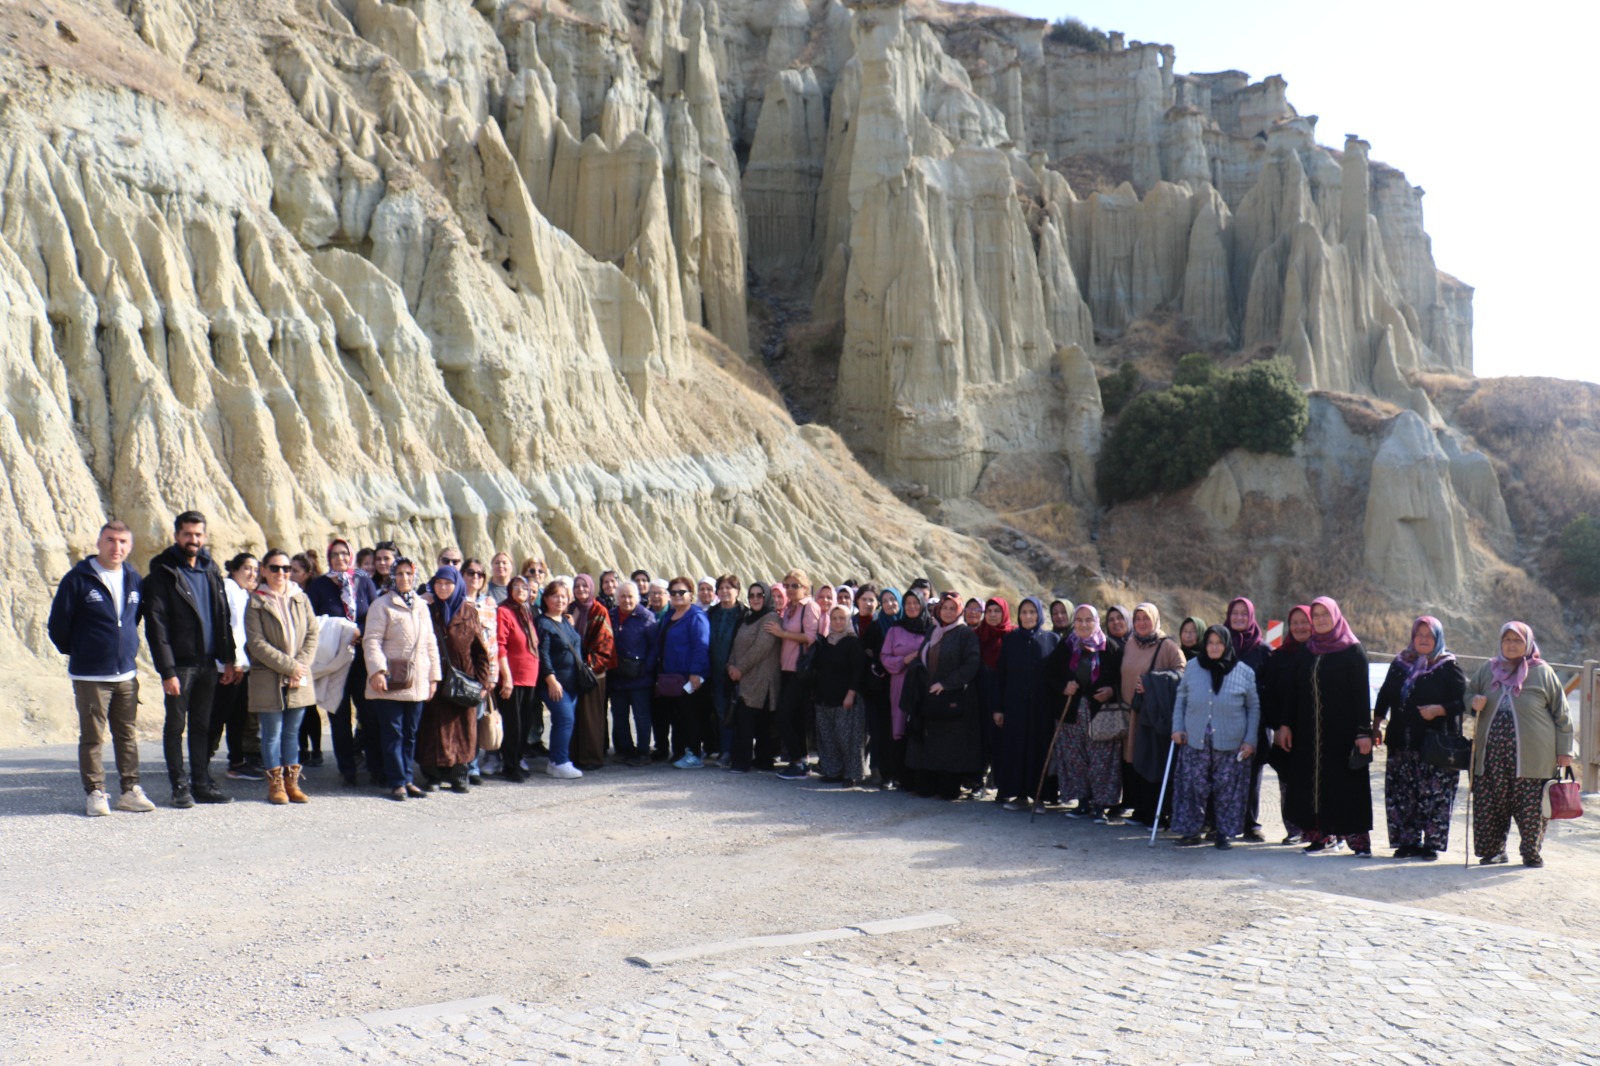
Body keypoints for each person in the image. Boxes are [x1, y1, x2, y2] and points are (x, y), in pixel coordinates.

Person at [48, 520, 157, 816]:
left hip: (125, 674)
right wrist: (83, 650)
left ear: (130, 546)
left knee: (127, 735)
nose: (116, 547)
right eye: (110, 540)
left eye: (122, 541)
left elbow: (131, 621)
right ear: (98, 543)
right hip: (90, 675)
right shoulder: (78, 579)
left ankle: (130, 790)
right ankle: (96, 792)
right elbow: (58, 626)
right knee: (93, 737)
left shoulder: (134, 578)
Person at [144, 510, 238, 807]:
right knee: (175, 727)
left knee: (202, 726)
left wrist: (229, 659)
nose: (193, 540)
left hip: (209, 663)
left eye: (198, 535)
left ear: (205, 537)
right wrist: (167, 670)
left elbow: (222, 616)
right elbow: (156, 627)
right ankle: (179, 786)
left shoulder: (211, 570)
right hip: (181, 666)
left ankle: (201, 782)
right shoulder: (163, 573)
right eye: (187, 534)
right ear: (176, 536)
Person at [1468, 622, 1575, 867]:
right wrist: (1473, 701)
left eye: (1517, 640)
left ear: (1527, 643)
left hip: (1533, 757)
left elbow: (1562, 713)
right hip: (1492, 755)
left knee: (1531, 806)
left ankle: (1530, 852)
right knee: (1490, 804)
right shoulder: (1488, 669)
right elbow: (1468, 693)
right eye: (1507, 640)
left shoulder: (1542, 672)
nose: (1511, 645)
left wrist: (1565, 750)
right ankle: (1493, 851)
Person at [1278, 596, 1373, 856]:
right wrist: (1285, 725)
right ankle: (1320, 837)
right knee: (1311, 783)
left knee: (1347, 785)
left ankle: (1358, 842)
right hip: (1308, 733)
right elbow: (1293, 691)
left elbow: (1361, 695)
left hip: (1342, 734)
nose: (1320, 620)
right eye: (1316, 615)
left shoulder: (1352, 650)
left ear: (1335, 616)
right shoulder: (1307, 651)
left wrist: (1364, 732)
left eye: (1325, 615)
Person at [1374, 616, 1467, 860]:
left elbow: (1462, 702)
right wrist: (1376, 724)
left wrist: (1439, 709)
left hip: (1434, 746)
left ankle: (1431, 845)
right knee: (1402, 794)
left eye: (1429, 636)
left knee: (1433, 796)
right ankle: (1407, 842)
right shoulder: (1401, 662)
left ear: (1438, 639)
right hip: (1401, 743)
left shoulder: (1448, 666)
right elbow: (1385, 695)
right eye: (1419, 635)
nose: (1423, 640)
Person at [1170, 625, 1260, 848]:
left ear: (1227, 645)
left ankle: (1223, 833)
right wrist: (1177, 727)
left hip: (1230, 742)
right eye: (1210, 642)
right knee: (1192, 787)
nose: (1214, 647)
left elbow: (1253, 707)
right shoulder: (1192, 667)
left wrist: (1250, 740)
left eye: (1219, 643)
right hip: (1194, 739)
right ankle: (1190, 831)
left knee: (1227, 790)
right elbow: (1180, 699)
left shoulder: (1244, 672)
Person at [245, 549, 320, 805]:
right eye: (275, 568)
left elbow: (312, 633)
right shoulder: (256, 600)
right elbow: (256, 643)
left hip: (298, 676)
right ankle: (275, 785)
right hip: (270, 677)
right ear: (264, 570)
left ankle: (292, 783)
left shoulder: (301, 597)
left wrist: (301, 665)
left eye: (286, 568)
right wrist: (290, 666)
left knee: (292, 733)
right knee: (272, 733)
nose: (281, 573)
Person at [305, 539, 382, 787]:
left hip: (361, 660)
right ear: (329, 557)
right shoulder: (319, 585)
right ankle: (347, 769)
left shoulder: (363, 582)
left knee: (369, 714)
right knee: (339, 716)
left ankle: (375, 766)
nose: (340, 558)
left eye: (344, 553)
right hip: (334, 660)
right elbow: (311, 621)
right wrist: (343, 630)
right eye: (335, 554)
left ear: (351, 556)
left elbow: (374, 615)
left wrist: (359, 631)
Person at [363, 558, 441, 801]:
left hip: (417, 681)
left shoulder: (420, 606)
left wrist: (433, 677)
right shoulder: (382, 604)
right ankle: (396, 781)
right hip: (391, 680)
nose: (404, 578)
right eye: (400, 573)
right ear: (393, 576)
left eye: (409, 573)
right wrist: (377, 671)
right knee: (393, 733)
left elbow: (431, 643)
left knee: (410, 733)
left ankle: (408, 778)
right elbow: (372, 640)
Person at [417, 565, 492, 792]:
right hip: (435, 680)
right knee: (433, 728)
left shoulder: (469, 612)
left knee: (463, 729)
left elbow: (481, 652)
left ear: (456, 585)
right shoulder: (427, 610)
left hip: (463, 679)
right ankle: (433, 776)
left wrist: (482, 683)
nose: (443, 587)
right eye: (439, 583)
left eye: (448, 583)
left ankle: (460, 776)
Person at [904, 593, 984, 800]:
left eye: (952, 608)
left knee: (950, 747)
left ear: (959, 611)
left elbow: (971, 664)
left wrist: (946, 684)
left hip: (952, 699)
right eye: (944, 608)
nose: (947, 612)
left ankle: (948, 787)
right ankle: (927, 785)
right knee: (929, 743)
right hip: (930, 696)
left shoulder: (965, 634)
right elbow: (922, 656)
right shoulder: (933, 630)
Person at [1052, 604, 1124, 823]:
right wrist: (1064, 687)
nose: (1083, 624)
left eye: (1088, 620)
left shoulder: (1110, 647)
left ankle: (1101, 805)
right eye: (1079, 620)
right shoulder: (1066, 646)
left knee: (1102, 759)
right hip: (1072, 712)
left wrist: (1112, 690)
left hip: (1101, 713)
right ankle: (1083, 802)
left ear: (1096, 622)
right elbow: (1049, 674)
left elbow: (1122, 678)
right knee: (1076, 759)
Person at [1118, 603, 1187, 826]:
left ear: (1155, 619)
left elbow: (1183, 673)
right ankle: (1139, 809)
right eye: (1137, 618)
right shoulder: (1130, 643)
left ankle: (1155, 814)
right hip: (1131, 712)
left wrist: (1153, 682)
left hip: (1152, 716)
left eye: (1146, 618)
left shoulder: (1167, 645)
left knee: (1151, 761)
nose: (1141, 623)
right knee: (1134, 761)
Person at [992, 597, 1062, 811]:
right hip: (1015, 707)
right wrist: (998, 708)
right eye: (1024, 612)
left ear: (1039, 615)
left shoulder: (1052, 640)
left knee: (1039, 750)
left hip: (1043, 708)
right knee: (1017, 748)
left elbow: (1057, 676)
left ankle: (1040, 796)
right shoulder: (1011, 640)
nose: (1028, 616)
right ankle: (1019, 795)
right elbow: (1000, 676)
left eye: (1032, 612)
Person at [1261, 605, 1311, 844]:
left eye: (1305, 621)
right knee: (1288, 782)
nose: (1300, 626)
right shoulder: (1279, 656)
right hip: (1286, 731)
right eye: (1295, 622)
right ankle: (1293, 829)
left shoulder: (1323, 653)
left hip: (1314, 731)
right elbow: (1269, 695)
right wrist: (1279, 726)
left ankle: (1317, 830)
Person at [210, 553, 262, 782]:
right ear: (235, 569)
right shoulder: (229, 588)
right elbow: (229, 628)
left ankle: (237, 762)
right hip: (230, 666)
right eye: (247, 568)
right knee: (219, 716)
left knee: (237, 717)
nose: (252, 573)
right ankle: (201, 765)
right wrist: (234, 662)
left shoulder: (241, 592)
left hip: (241, 664)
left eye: (255, 569)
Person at [1225, 597, 1272, 842]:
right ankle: (1220, 821)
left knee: (1253, 774)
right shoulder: (1221, 644)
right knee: (1224, 771)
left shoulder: (1263, 650)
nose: (1239, 617)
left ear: (1251, 616)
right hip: (1226, 719)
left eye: (1244, 613)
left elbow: (1272, 686)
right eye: (1235, 613)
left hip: (1256, 719)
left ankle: (1250, 823)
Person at [769, 570, 822, 779]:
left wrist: (783, 634)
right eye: (787, 585)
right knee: (796, 718)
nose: (790, 589)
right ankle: (801, 762)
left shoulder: (809, 607)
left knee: (783, 717)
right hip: (787, 668)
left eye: (795, 585)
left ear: (805, 587)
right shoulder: (790, 608)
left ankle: (797, 760)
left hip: (800, 670)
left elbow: (811, 637)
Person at [657, 577, 712, 768]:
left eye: (682, 592)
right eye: (674, 592)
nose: (677, 596)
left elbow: (701, 646)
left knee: (690, 715)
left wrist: (696, 672)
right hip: (671, 677)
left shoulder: (696, 616)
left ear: (691, 595)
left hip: (688, 676)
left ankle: (694, 754)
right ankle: (680, 751)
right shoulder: (669, 616)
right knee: (677, 716)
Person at [728, 582, 783, 772]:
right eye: (752, 595)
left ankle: (753, 762)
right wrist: (730, 665)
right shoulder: (748, 618)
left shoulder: (771, 617)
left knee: (758, 723)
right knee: (747, 722)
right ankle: (751, 761)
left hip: (762, 678)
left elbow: (761, 648)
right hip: (744, 677)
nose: (756, 599)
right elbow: (736, 644)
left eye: (760, 595)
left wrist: (739, 669)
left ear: (766, 597)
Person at [881, 589, 932, 790]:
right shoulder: (895, 630)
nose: (912, 607)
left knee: (921, 727)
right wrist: (904, 659)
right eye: (908, 603)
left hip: (924, 687)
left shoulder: (932, 629)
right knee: (899, 728)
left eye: (916, 603)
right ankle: (902, 776)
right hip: (900, 685)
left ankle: (922, 777)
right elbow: (885, 658)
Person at [536, 580, 586, 779]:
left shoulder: (565, 621)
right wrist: (551, 679)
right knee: (565, 719)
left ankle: (555, 760)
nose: (560, 600)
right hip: (555, 683)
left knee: (563, 721)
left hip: (572, 682)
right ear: (546, 598)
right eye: (555, 596)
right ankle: (559, 761)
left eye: (563, 596)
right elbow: (543, 653)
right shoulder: (543, 623)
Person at [812, 605, 867, 786]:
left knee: (848, 738)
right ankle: (832, 770)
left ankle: (852, 774)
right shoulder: (827, 642)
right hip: (824, 698)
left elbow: (858, 671)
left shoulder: (853, 643)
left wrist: (851, 694)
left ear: (848, 620)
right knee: (828, 737)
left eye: (842, 618)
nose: (837, 622)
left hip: (845, 699)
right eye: (834, 618)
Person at [494, 576, 540, 782]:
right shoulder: (504, 611)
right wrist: (507, 677)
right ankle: (510, 765)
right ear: (509, 589)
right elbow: (500, 645)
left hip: (529, 677)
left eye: (525, 586)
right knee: (514, 724)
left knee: (526, 723)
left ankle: (518, 759)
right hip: (514, 677)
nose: (521, 590)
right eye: (516, 586)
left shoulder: (526, 612)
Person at [569, 574, 617, 771]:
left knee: (591, 716)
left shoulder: (599, 610)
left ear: (591, 588)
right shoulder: (571, 609)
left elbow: (604, 644)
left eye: (584, 586)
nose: (581, 590)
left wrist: (587, 666)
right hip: (572, 672)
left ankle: (591, 757)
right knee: (575, 715)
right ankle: (574, 755)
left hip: (592, 672)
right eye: (577, 586)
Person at [609, 581, 658, 766]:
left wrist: (646, 669)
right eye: (623, 596)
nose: (626, 600)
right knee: (619, 714)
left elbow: (655, 647)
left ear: (637, 598)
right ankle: (626, 750)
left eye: (630, 596)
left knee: (641, 715)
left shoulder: (646, 617)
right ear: (617, 598)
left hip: (640, 677)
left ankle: (643, 752)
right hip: (618, 675)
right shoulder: (611, 615)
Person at [461, 559, 500, 782]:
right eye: (470, 572)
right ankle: (459, 764)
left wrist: (492, 676)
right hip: (461, 671)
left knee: (476, 719)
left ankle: (472, 764)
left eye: (480, 574)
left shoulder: (488, 605)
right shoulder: (455, 601)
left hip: (481, 673)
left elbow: (492, 642)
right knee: (459, 721)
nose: (475, 577)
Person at [705, 575, 746, 766]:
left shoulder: (744, 614)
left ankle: (732, 752)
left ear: (737, 591)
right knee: (719, 711)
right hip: (713, 670)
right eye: (720, 588)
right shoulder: (712, 612)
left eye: (729, 588)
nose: (724, 591)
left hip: (736, 671)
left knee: (734, 712)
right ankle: (724, 749)